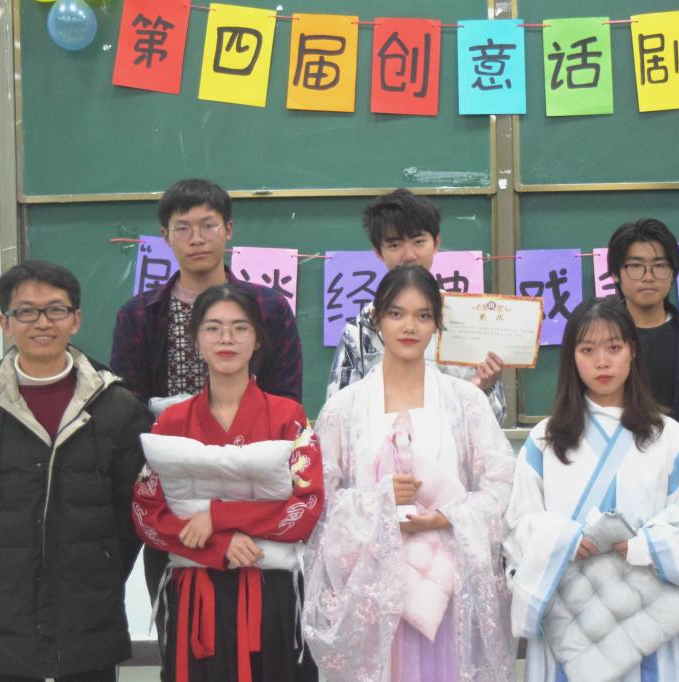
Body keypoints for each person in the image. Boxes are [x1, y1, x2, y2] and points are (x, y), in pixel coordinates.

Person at [110, 178, 303, 647]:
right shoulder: (139, 314)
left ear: (228, 229)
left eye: (208, 225)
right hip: (176, 494)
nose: (196, 238)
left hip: (258, 492)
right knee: (182, 634)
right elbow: (127, 410)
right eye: (183, 228)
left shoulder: (268, 308)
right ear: (165, 236)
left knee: (266, 637)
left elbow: (287, 401)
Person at [304, 264, 515, 681]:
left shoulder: (465, 402)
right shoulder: (343, 409)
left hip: (447, 589)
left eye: (423, 315)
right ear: (377, 319)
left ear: (437, 323)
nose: (409, 327)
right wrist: (381, 501)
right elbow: (321, 504)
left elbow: (503, 485)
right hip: (373, 591)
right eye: (396, 314)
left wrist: (446, 517)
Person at [0, 261, 150, 682]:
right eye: (26, 311)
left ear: (76, 319)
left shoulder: (118, 408)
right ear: (5, 322)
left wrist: (100, 567)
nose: (42, 322)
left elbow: (130, 513)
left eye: (56, 309)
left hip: (89, 612)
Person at [504, 296, 679, 681]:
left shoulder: (669, 437)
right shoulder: (545, 440)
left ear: (632, 351)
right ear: (572, 358)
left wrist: (648, 545)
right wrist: (563, 540)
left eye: (614, 347)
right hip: (570, 614)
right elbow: (519, 522)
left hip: (649, 614)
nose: (602, 362)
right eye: (588, 350)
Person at [131, 283, 323, 682]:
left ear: (258, 340)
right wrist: (219, 545)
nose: (226, 339)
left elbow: (307, 508)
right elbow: (147, 514)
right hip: (195, 594)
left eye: (240, 328)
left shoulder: (288, 416)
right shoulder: (171, 422)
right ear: (196, 340)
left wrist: (217, 517)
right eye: (213, 328)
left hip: (273, 597)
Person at [326, 188, 507, 424]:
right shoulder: (359, 332)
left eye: (419, 241)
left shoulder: (467, 322)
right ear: (378, 252)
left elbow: (495, 421)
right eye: (395, 245)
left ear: (436, 242)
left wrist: (483, 387)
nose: (409, 255)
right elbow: (337, 421)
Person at [606, 218, 679, 432]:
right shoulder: (597, 341)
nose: (648, 277)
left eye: (659, 266)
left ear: (673, 273)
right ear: (615, 274)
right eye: (635, 266)